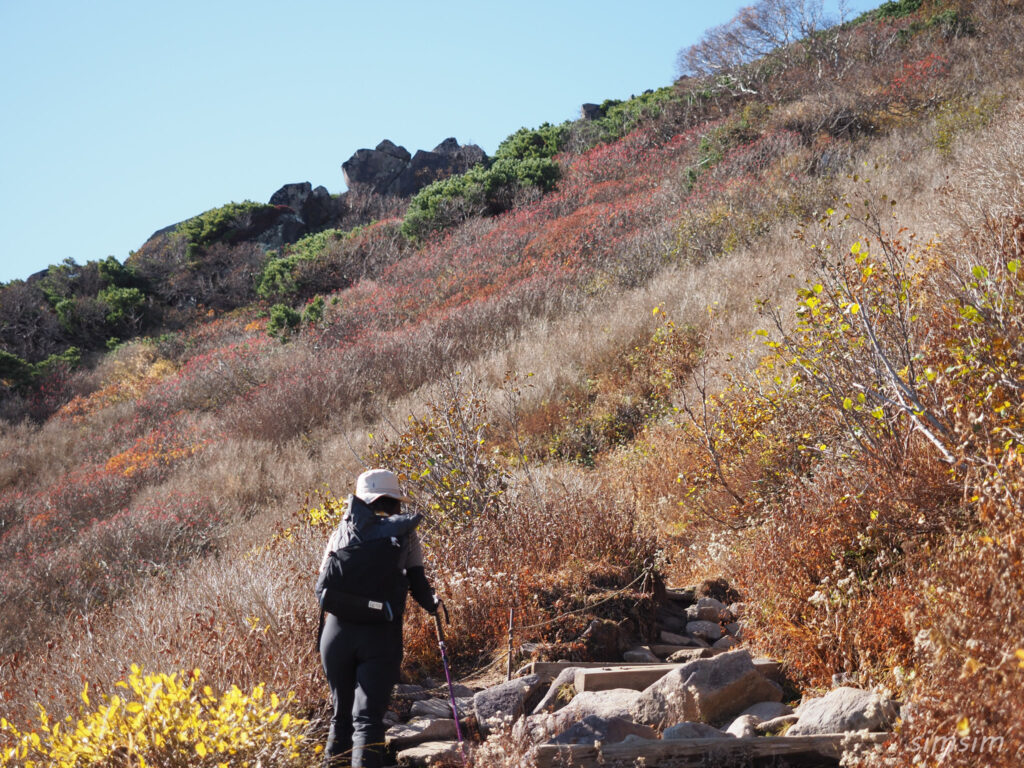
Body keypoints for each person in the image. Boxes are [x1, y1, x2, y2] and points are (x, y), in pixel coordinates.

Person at [317, 468, 438, 768]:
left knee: (340, 717)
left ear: (361, 498)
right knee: (368, 722)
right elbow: (418, 584)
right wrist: (435, 606)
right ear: (394, 499)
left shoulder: (342, 530)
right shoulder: (404, 532)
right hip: (379, 636)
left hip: (335, 634)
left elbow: (323, 585)